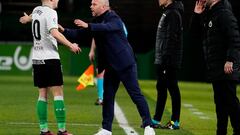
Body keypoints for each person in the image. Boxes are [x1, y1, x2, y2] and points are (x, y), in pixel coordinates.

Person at [59, 0, 156, 134]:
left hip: (125, 64)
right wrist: (63, 30)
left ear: (104, 6)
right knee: (108, 97)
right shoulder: (97, 20)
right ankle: (106, 129)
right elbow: (79, 34)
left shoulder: (113, 17)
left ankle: (148, 126)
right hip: (110, 66)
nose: (90, 6)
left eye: (94, 4)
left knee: (135, 95)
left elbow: (109, 27)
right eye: (91, 3)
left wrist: (89, 26)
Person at [19, 0, 81, 134]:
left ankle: (44, 130)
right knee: (58, 93)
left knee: (42, 94)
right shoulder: (51, 12)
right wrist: (71, 45)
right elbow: (54, 33)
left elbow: (32, 17)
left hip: (37, 59)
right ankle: (62, 130)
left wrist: (26, 19)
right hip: (50, 58)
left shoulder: (36, 10)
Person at [191, 0, 240, 134]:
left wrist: (230, 60)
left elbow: (234, 38)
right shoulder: (210, 14)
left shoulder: (223, 13)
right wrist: (196, 15)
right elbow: (194, 35)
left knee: (230, 102)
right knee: (220, 104)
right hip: (216, 67)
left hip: (226, 67)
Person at [151, 0, 183, 130]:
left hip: (168, 60)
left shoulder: (173, 14)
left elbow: (171, 38)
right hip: (163, 59)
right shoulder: (168, 12)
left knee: (172, 88)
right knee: (162, 88)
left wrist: (165, 60)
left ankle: (175, 121)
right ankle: (156, 119)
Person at [89, 39, 105, 105]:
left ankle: (103, 97)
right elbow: (95, 36)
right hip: (102, 50)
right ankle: (101, 97)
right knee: (100, 73)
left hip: (114, 51)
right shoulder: (99, 29)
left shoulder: (120, 28)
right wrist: (92, 50)